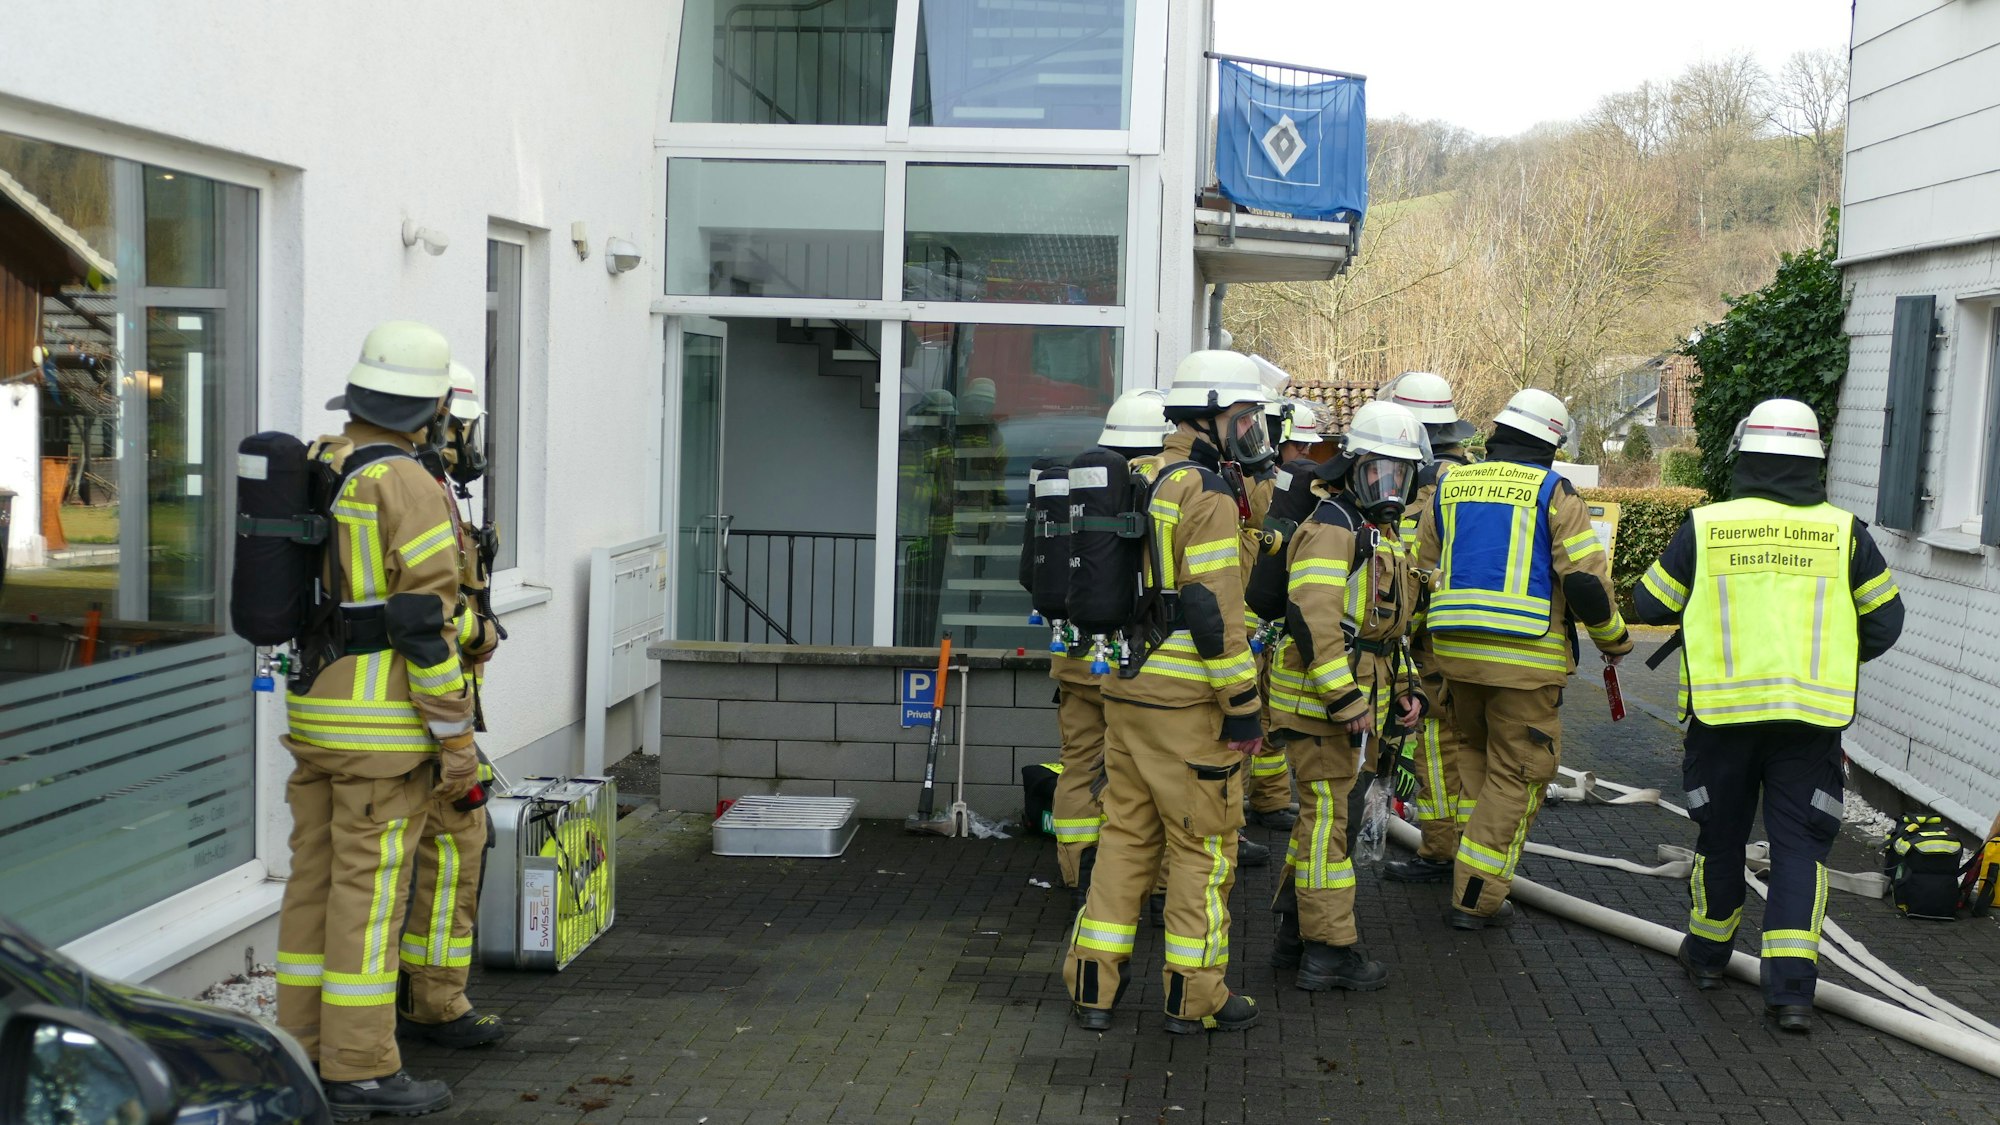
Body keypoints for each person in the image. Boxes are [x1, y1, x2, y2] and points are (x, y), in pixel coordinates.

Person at [1633, 398, 1904, 1033]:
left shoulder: (1708, 527)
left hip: (1722, 719)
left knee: (1720, 839)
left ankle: (1707, 959)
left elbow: (1649, 604)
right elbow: (1886, 621)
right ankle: (1791, 995)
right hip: (1809, 724)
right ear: (1814, 461)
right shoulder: (1843, 533)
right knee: (1799, 849)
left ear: (1745, 455)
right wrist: (1836, 654)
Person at [276, 320, 476, 1118]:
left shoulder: (321, 461)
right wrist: (456, 737)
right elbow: (425, 624)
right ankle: (360, 1069)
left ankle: (299, 1048)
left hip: (314, 710)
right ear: (428, 408)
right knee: (369, 896)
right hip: (380, 731)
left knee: (313, 884)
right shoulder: (409, 484)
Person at [1063, 350, 1268, 1035]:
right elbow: (1213, 611)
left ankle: (1092, 986)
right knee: (1202, 852)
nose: (1252, 430)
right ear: (1211, 415)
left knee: (1124, 840)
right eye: (1245, 416)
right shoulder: (1205, 491)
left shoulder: (1143, 472)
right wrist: (1244, 708)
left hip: (1126, 691)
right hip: (1189, 707)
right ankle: (1194, 995)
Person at [1414, 388, 1631, 929]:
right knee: (1518, 773)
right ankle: (1476, 898)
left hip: (1454, 656)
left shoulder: (1450, 485)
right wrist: (1614, 641)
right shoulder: (1553, 492)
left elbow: (1420, 570)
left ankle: (1463, 866)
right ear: (1551, 443)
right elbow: (1584, 582)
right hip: (1525, 662)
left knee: (1474, 756)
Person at [1265, 401, 1429, 991]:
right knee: (1328, 825)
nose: (1389, 486)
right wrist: (1344, 700)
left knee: (1326, 821)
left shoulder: (1378, 533)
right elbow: (1313, 619)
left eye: (1400, 474)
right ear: (1351, 468)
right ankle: (1328, 952)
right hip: (1321, 711)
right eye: (1377, 472)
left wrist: (1406, 688)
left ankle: (1294, 933)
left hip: (1355, 704)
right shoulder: (1333, 528)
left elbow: (1384, 627)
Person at [397, 362, 506, 1049]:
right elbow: (425, 610)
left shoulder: (427, 484)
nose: (472, 443)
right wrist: (478, 630)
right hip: (427, 716)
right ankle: (430, 1002)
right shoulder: (417, 488)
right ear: (442, 421)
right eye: (467, 427)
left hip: (441, 713)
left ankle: (427, 996)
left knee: (457, 843)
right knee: (452, 844)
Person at [1049, 388, 1172, 904]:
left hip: (1071, 653)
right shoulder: (1158, 487)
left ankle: (1075, 868)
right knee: (1143, 775)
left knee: (1079, 761)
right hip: (1127, 662)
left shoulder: (1080, 484)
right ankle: (1157, 887)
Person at [1380, 372, 1481, 884]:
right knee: (1475, 748)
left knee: (1437, 748)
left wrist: (1395, 635)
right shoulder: (1477, 479)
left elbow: (1411, 572)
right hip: (1486, 636)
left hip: (1433, 643)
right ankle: (1475, 851)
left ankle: (1441, 849)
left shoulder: (1422, 489)